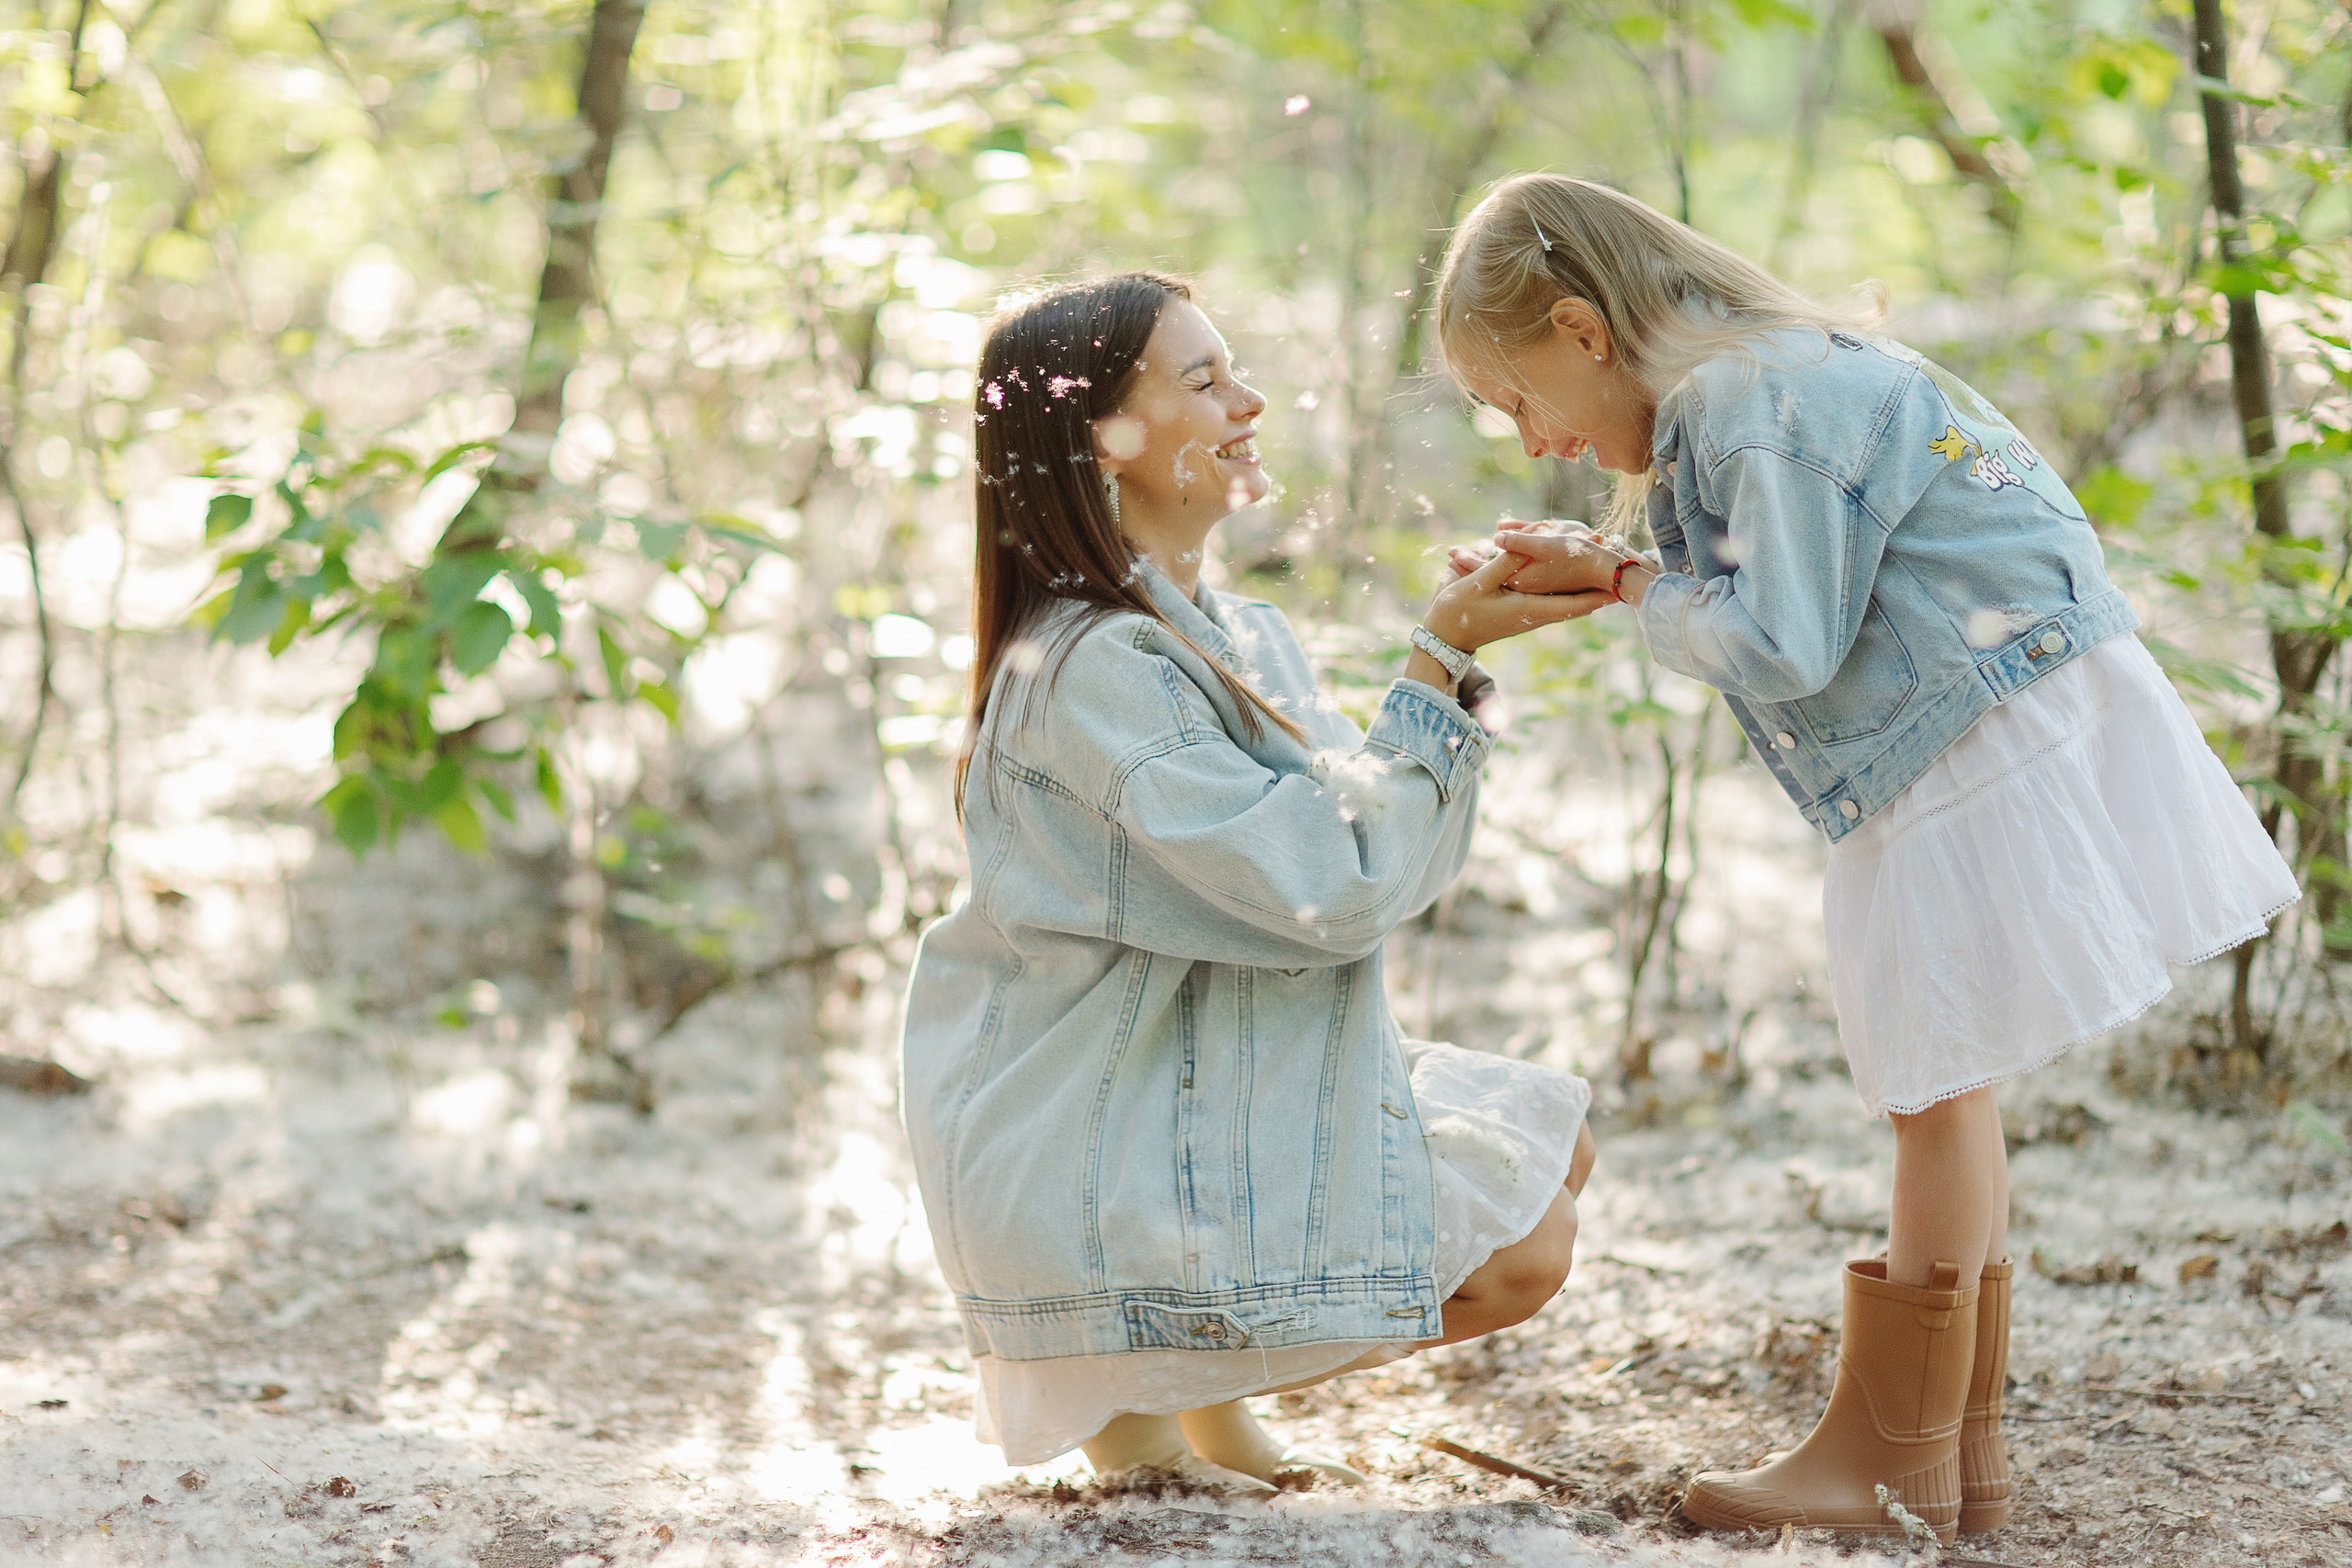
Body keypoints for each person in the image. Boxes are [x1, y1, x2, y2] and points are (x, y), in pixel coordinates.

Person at [1430, 175, 2299, 1542]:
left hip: (1967, 732)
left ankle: (1891, 1460)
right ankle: (1954, 1452)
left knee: (1931, 1084)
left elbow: (1783, 641)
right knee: (1944, 1086)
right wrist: (1619, 569)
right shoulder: (1767, 378)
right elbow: (1791, 595)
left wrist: (1634, 586)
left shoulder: (1737, 402)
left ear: (1581, 330)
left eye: (1517, 397)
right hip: (1988, 706)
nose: (1532, 437)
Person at [899, 272, 1600, 1489]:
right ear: (1098, 439)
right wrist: (1441, 661)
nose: (1252, 400)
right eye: (1206, 379)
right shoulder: (1092, 668)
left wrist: (1456, 665)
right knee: (1525, 1244)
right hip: (1099, 1148)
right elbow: (1330, 888)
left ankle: (1202, 1401)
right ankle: (1136, 1405)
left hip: (1197, 1099)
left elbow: (1378, 851)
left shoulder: (1245, 633)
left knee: (1553, 1160)